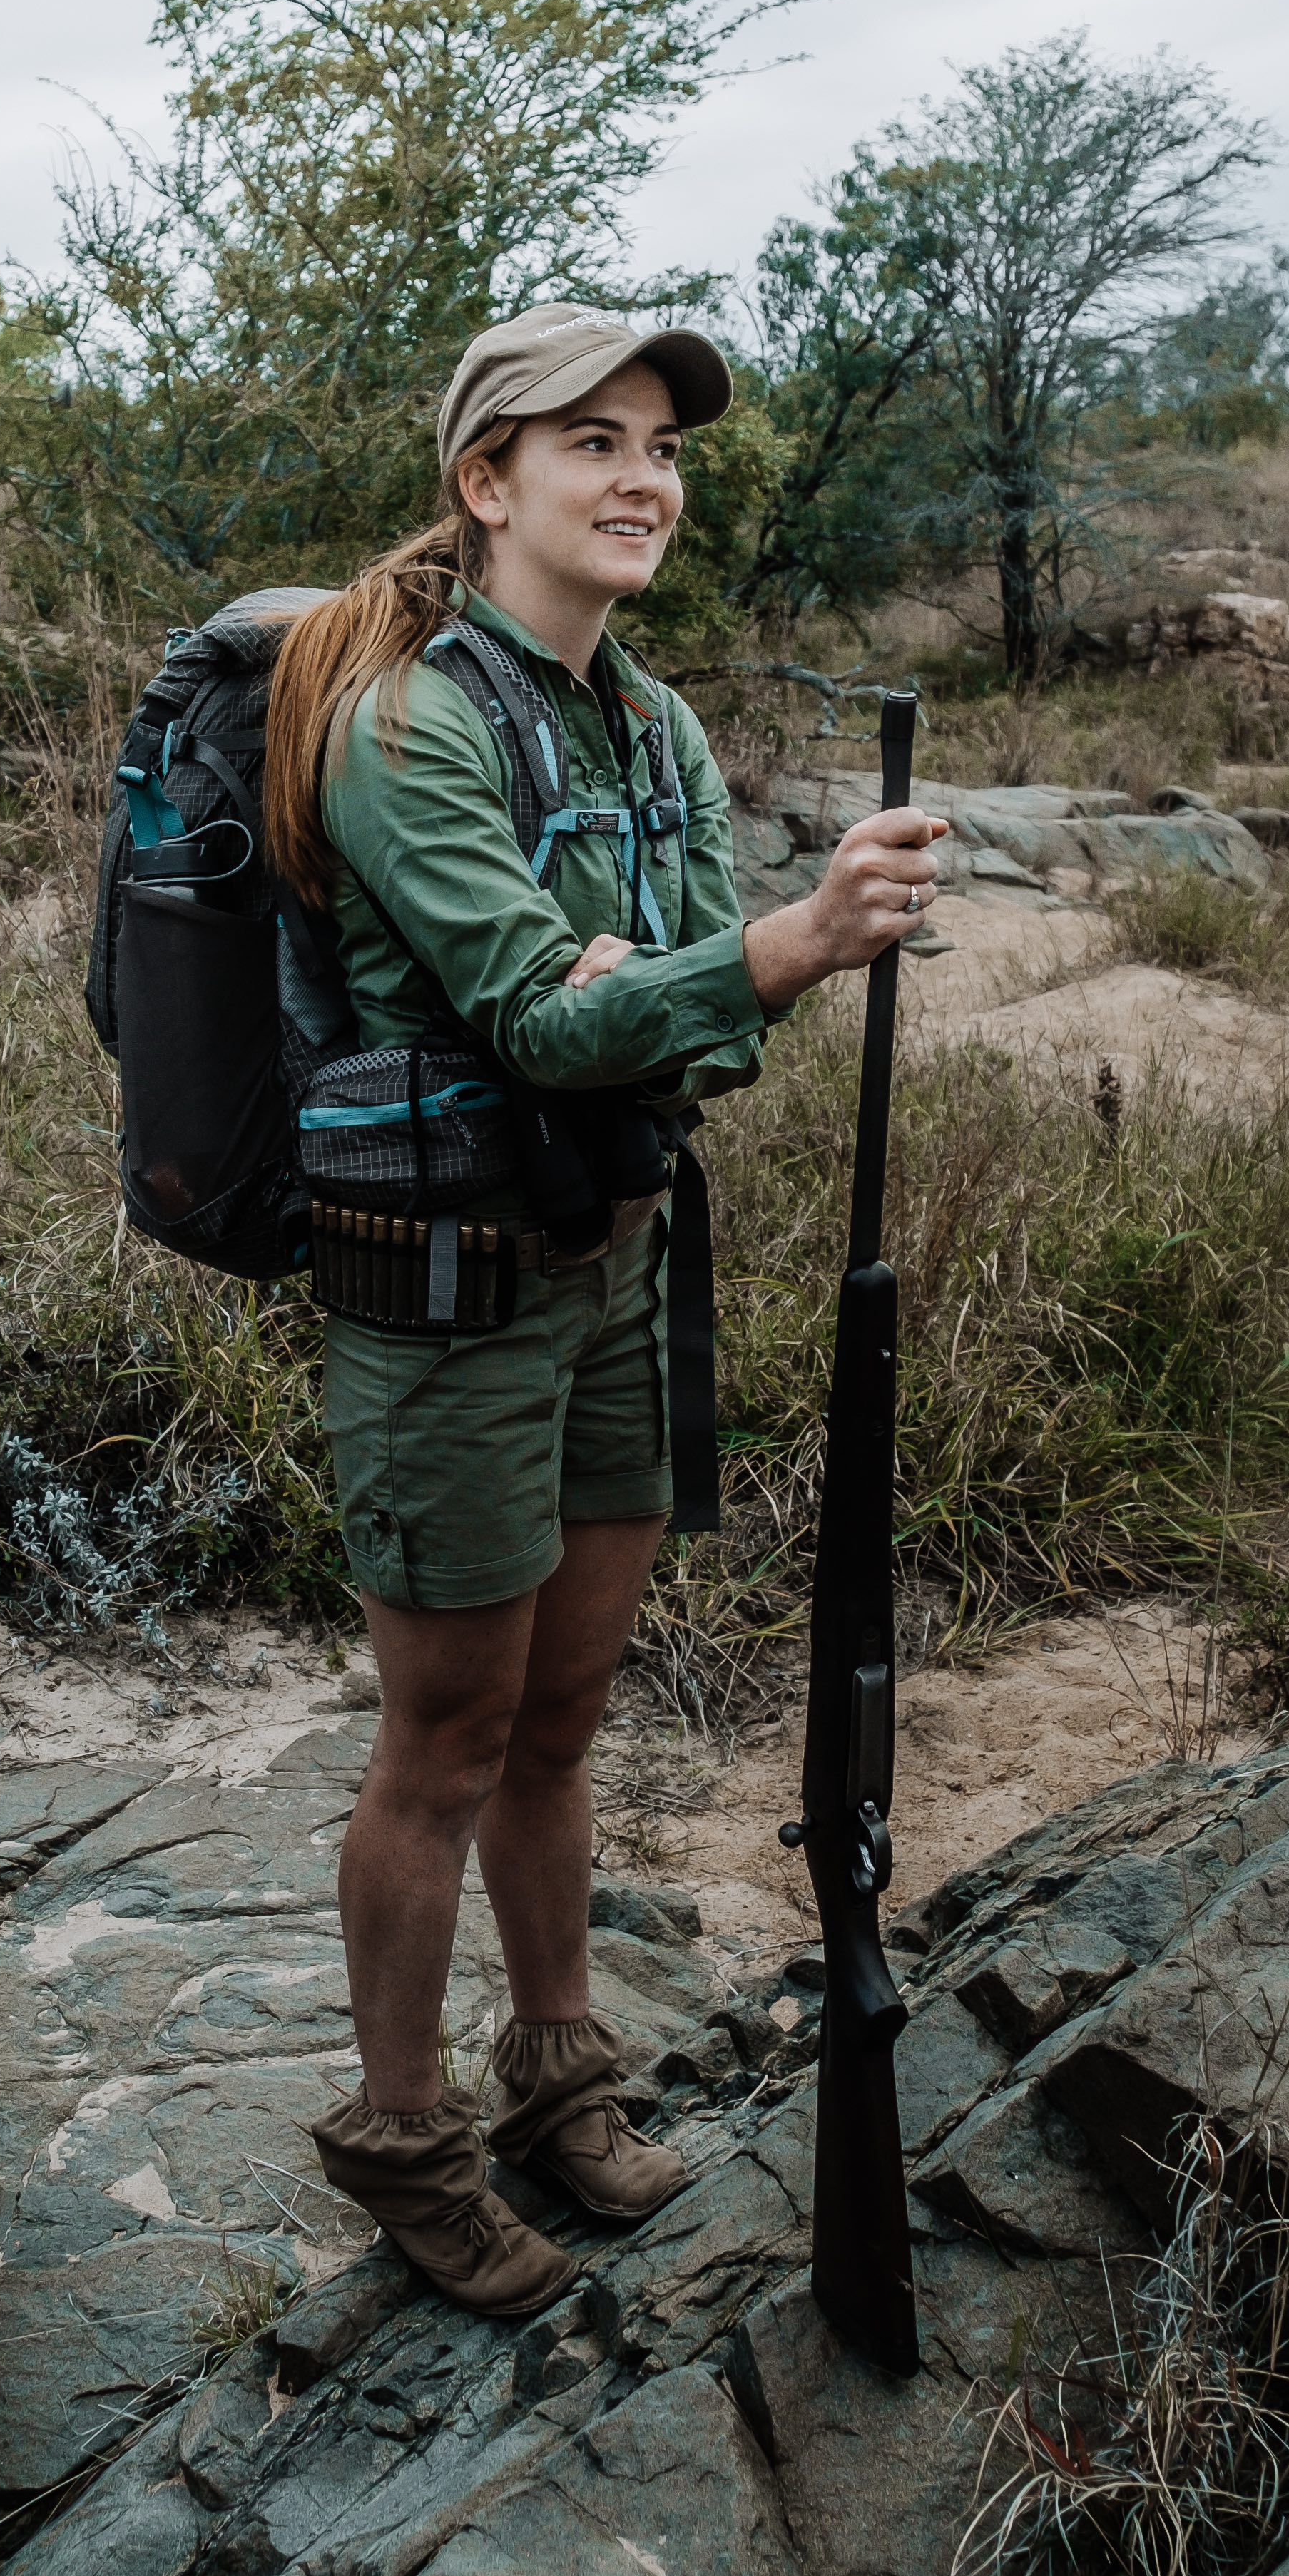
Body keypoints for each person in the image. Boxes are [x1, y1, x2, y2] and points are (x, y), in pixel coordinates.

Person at [258, 305, 949, 2314]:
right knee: (445, 1738)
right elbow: (547, 1012)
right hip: (447, 1299)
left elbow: (685, 1037)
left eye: (663, 446)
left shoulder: (651, 726)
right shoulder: (405, 722)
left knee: (564, 1716)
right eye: (594, 443)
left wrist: (723, 979)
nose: (647, 476)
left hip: (623, 1264)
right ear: (491, 486)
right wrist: (780, 946)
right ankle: (404, 2139)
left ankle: (559, 2067)